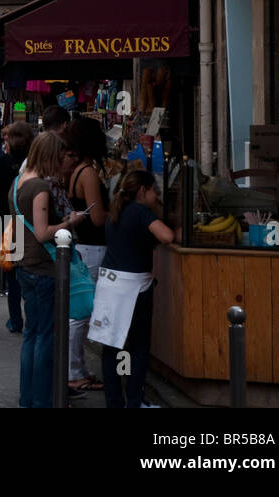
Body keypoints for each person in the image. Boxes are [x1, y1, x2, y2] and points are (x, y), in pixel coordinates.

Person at [13, 132, 86, 408]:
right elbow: (43, 233)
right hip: (43, 266)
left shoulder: (19, 181)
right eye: (59, 157)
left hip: (25, 264)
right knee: (45, 337)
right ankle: (42, 400)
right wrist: (71, 221)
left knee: (32, 335)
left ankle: (28, 398)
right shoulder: (41, 187)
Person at [94, 169, 173, 408]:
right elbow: (167, 236)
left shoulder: (116, 212)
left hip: (109, 284)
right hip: (133, 288)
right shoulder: (140, 211)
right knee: (137, 346)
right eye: (154, 191)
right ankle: (134, 400)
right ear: (142, 191)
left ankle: (115, 401)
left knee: (113, 345)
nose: (157, 195)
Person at [64, 115, 109, 397]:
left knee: (77, 312)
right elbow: (98, 217)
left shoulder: (75, 169)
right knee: (80, 314)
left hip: (83, 246)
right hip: (91, 247)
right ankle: (74, 373)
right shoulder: (88, 172)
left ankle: (74, 371)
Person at [0, 121, 32, 333]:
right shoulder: (34, 163)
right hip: (29, 223)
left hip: (7, 223)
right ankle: (30, 317)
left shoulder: (2, 162)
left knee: (11, 272)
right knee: (29, 270)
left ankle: (15, 319)